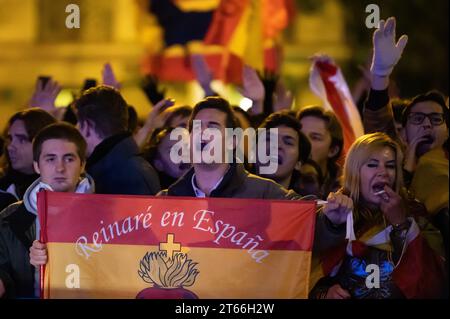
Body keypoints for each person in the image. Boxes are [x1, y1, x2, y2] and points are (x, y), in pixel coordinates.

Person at [309, 132, 446, 299]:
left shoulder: (416, 212)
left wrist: (401, 224)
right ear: (354, 172)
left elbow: (434, 283)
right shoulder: (333, 212)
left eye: (390, 165)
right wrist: (323, 294)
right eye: (372, 165)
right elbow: (304, 274)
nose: (383, 172)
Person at [362, 17, 449, 253]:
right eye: (417, 119)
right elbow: (378, 122)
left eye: (436, 119)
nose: (426, 126)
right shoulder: (393, 158)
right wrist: (380, 75)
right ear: (404, 128)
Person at [0, 122, 95, 298]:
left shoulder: (108, 214)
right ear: (36, 165)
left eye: (69, 159)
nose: (60, 168)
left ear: (82, 165)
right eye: (50, 159)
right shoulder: (8, 218)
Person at [158, 97, 301, 199]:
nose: (202, 132)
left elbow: (310, 216)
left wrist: (323, 215)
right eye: (196, 127)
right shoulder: (168, 199)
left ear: (232, 141)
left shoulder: (264, 193)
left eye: (212, 126)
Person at [74, 85, 161, 195]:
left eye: (78, 123)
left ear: (87, 126)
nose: (75, 130)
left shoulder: (120, 175)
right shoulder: (127, 168)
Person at [0, 108, 56, 211]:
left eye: (22, 139)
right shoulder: (3, 189)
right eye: (10, 138)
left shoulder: (61, 186)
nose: (10, 147)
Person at [255, 111, 312, 196]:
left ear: (298, 163)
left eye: (288, 142)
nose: (277, 145)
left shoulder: (310, 207)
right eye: (268, 139)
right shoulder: (230, 197)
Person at [297, 106, 343, 199]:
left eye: (315, 137)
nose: (303, 143)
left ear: (333, 150)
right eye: (300, 136)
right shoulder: (280, 180)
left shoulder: (346, 189)